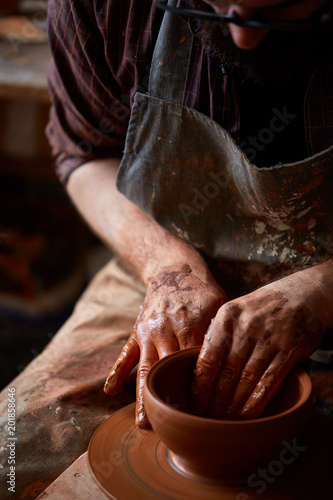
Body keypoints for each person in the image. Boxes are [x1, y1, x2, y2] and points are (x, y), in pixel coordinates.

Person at [0, 1, 332, 497]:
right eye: (216, 6)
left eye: (279, 7)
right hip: (162, 263)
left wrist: (324, 288)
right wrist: (166, 267)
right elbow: (84, 153)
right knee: (16, 443)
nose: (243, 36)